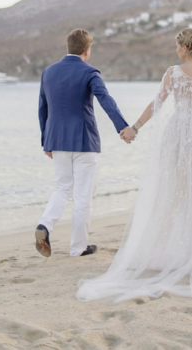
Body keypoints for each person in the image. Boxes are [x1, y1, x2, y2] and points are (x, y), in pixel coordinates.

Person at [76, 27, 192, 303]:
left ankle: (177, 250)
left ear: (185, 48)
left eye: (178, 46)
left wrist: (134, 127)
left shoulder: (173, 73)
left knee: (174, 191)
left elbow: (157, 104)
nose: (176, 51)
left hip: (179, 135)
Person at [35, 28, 136, 258]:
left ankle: (44, 225)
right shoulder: (90, 72)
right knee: (83, 196)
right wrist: (123, 126)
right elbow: (105, 101)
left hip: (57, 141)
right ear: (87, 50)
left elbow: (43, 109)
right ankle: (78, 247)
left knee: (63, 189)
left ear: (68, 47)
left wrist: (46, 141)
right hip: (84, 142)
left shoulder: (48, 72)